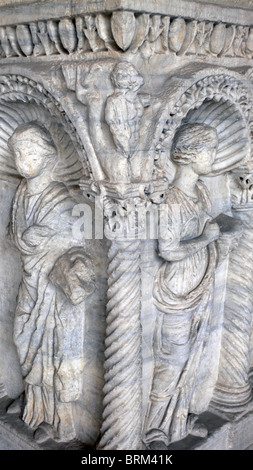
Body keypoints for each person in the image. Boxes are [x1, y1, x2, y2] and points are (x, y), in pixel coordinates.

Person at [9, 122, 95, 442]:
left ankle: (57, 420)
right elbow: (15, 235)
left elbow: (80, 242)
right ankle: (33, 403)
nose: (22, 160)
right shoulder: (20, 192)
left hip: (55, 291)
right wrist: (27, 239)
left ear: (47, 156)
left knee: (55, 353)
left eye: (29, 152)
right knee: (24, 340)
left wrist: (55, 243)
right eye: (17, 153)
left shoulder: (60, 198)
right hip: (31, 284)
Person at [144, 123, 220, 448]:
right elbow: (169, 250)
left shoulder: (200, 191)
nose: (213, 156)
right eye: (210, 149)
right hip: (176, 292)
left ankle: (177, 418)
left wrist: (213, 242)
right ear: (190, 154)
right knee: (170, 361)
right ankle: (152, 428)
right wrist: (205, 239)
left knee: (193, 354)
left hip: (200, 286)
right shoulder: (172, 202)